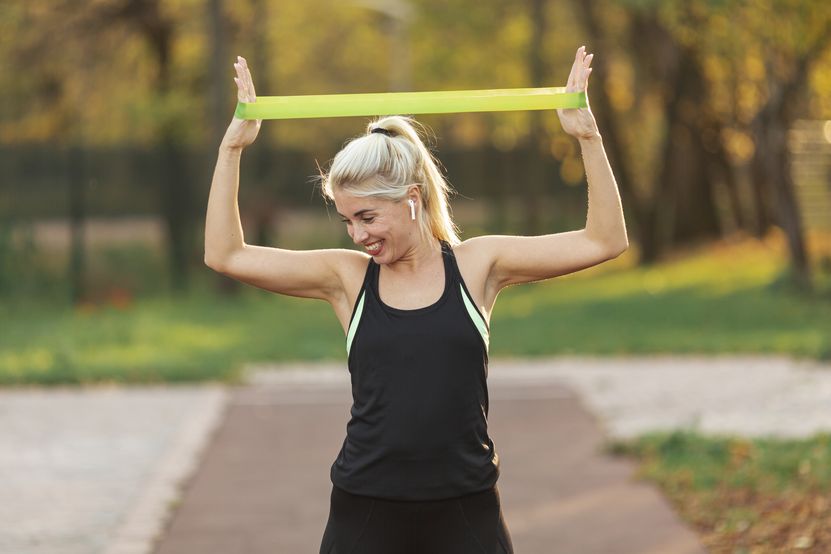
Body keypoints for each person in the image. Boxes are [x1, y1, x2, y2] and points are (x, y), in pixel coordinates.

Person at [204, 45, 627, 554]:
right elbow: (225, 253)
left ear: (411, 199)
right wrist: (232, 151)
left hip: (464, 507)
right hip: (366, 508)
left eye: (367, 217)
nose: (356, 235)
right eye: (346, 220)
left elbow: (604, 241)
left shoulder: (477, 265)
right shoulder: (347, 278)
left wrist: (587, 136)